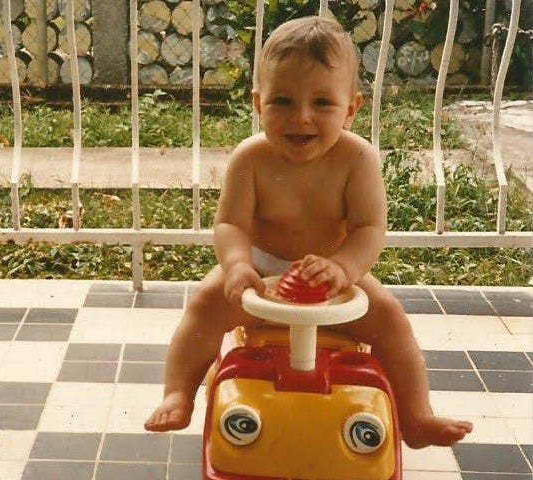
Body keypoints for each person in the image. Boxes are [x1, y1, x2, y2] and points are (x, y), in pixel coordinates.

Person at [144, 16, 473, 448]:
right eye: (282, 101)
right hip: (260, 271)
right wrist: (238, 265)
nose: (301, 117)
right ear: (258, 104)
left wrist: (344, 267)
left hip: (333, 275)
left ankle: (415, 416)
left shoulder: (357, 160)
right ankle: (178, 392)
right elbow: (231, 223)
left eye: (322, 103)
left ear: (351, 108)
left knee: (390, 319)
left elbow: (369, 228)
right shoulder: (251, 159)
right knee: (205, 304)